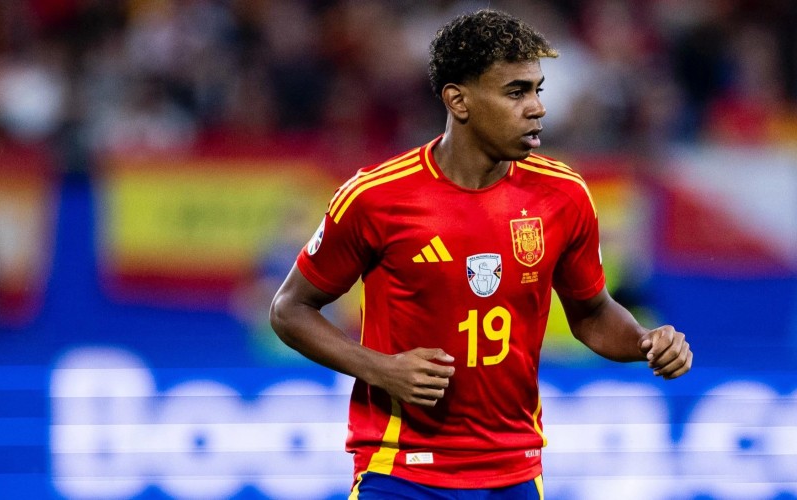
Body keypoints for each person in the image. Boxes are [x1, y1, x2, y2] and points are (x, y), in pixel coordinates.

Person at [269, 9, 692, 499]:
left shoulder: (564, 195)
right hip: (401, 468)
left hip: (514, 470)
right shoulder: (375, 197)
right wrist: (380, 369)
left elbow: (592, 313)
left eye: (538, 90)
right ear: (459, 100)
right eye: (516, 92)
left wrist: (644, 341)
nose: (537, 108)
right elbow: (289, 309)